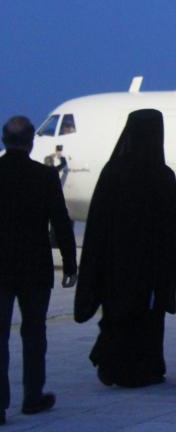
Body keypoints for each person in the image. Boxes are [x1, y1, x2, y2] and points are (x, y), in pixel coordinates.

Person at [74, 110, 176, 387]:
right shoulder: (162, 175)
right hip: (149, 266)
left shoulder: (112, 171)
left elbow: (98, 219)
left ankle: (112, 365)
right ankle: (146, 368)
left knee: (117, 313)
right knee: (147, 317)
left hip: (115, 263)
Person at [0, 116, 77, 424]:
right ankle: (33, 396)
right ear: (31, 142)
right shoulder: (44, 177)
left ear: (4, 140)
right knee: (34, 335)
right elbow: (60, 221)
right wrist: (70, 263)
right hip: (34, 268)